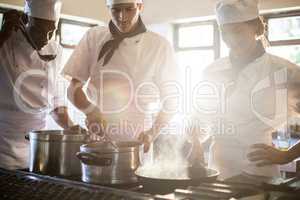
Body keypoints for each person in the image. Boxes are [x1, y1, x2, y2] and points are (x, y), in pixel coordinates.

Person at [193, 0, 300, 183]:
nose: (231, 39)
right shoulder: (211, 72)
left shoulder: (285, 72)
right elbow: (200, 119)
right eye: (225, 32)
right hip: (216, 173)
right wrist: (194, 141)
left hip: (259, 173)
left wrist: (287, 156)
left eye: (237, 31)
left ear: (256, 28)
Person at [63, 0, 179, 152]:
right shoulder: (94, 37)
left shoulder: (158, 45)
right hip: (97, 140)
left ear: (140, 7)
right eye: (115, 10)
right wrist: (90, 111)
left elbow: (171, 101)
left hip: (138, 142)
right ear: (108, 8)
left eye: (129, 9)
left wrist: (152, 133)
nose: (122, 17)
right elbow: (73, 89)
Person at [0, 0, 74, 170]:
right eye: (39, 30)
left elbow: (55, 101)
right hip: (3, 144)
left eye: (51, 31)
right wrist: (2, 35)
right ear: (26, 19)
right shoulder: (6, 42)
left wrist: (72, 127)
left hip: (38, 147)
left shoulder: (55, 50)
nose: (46, 38)